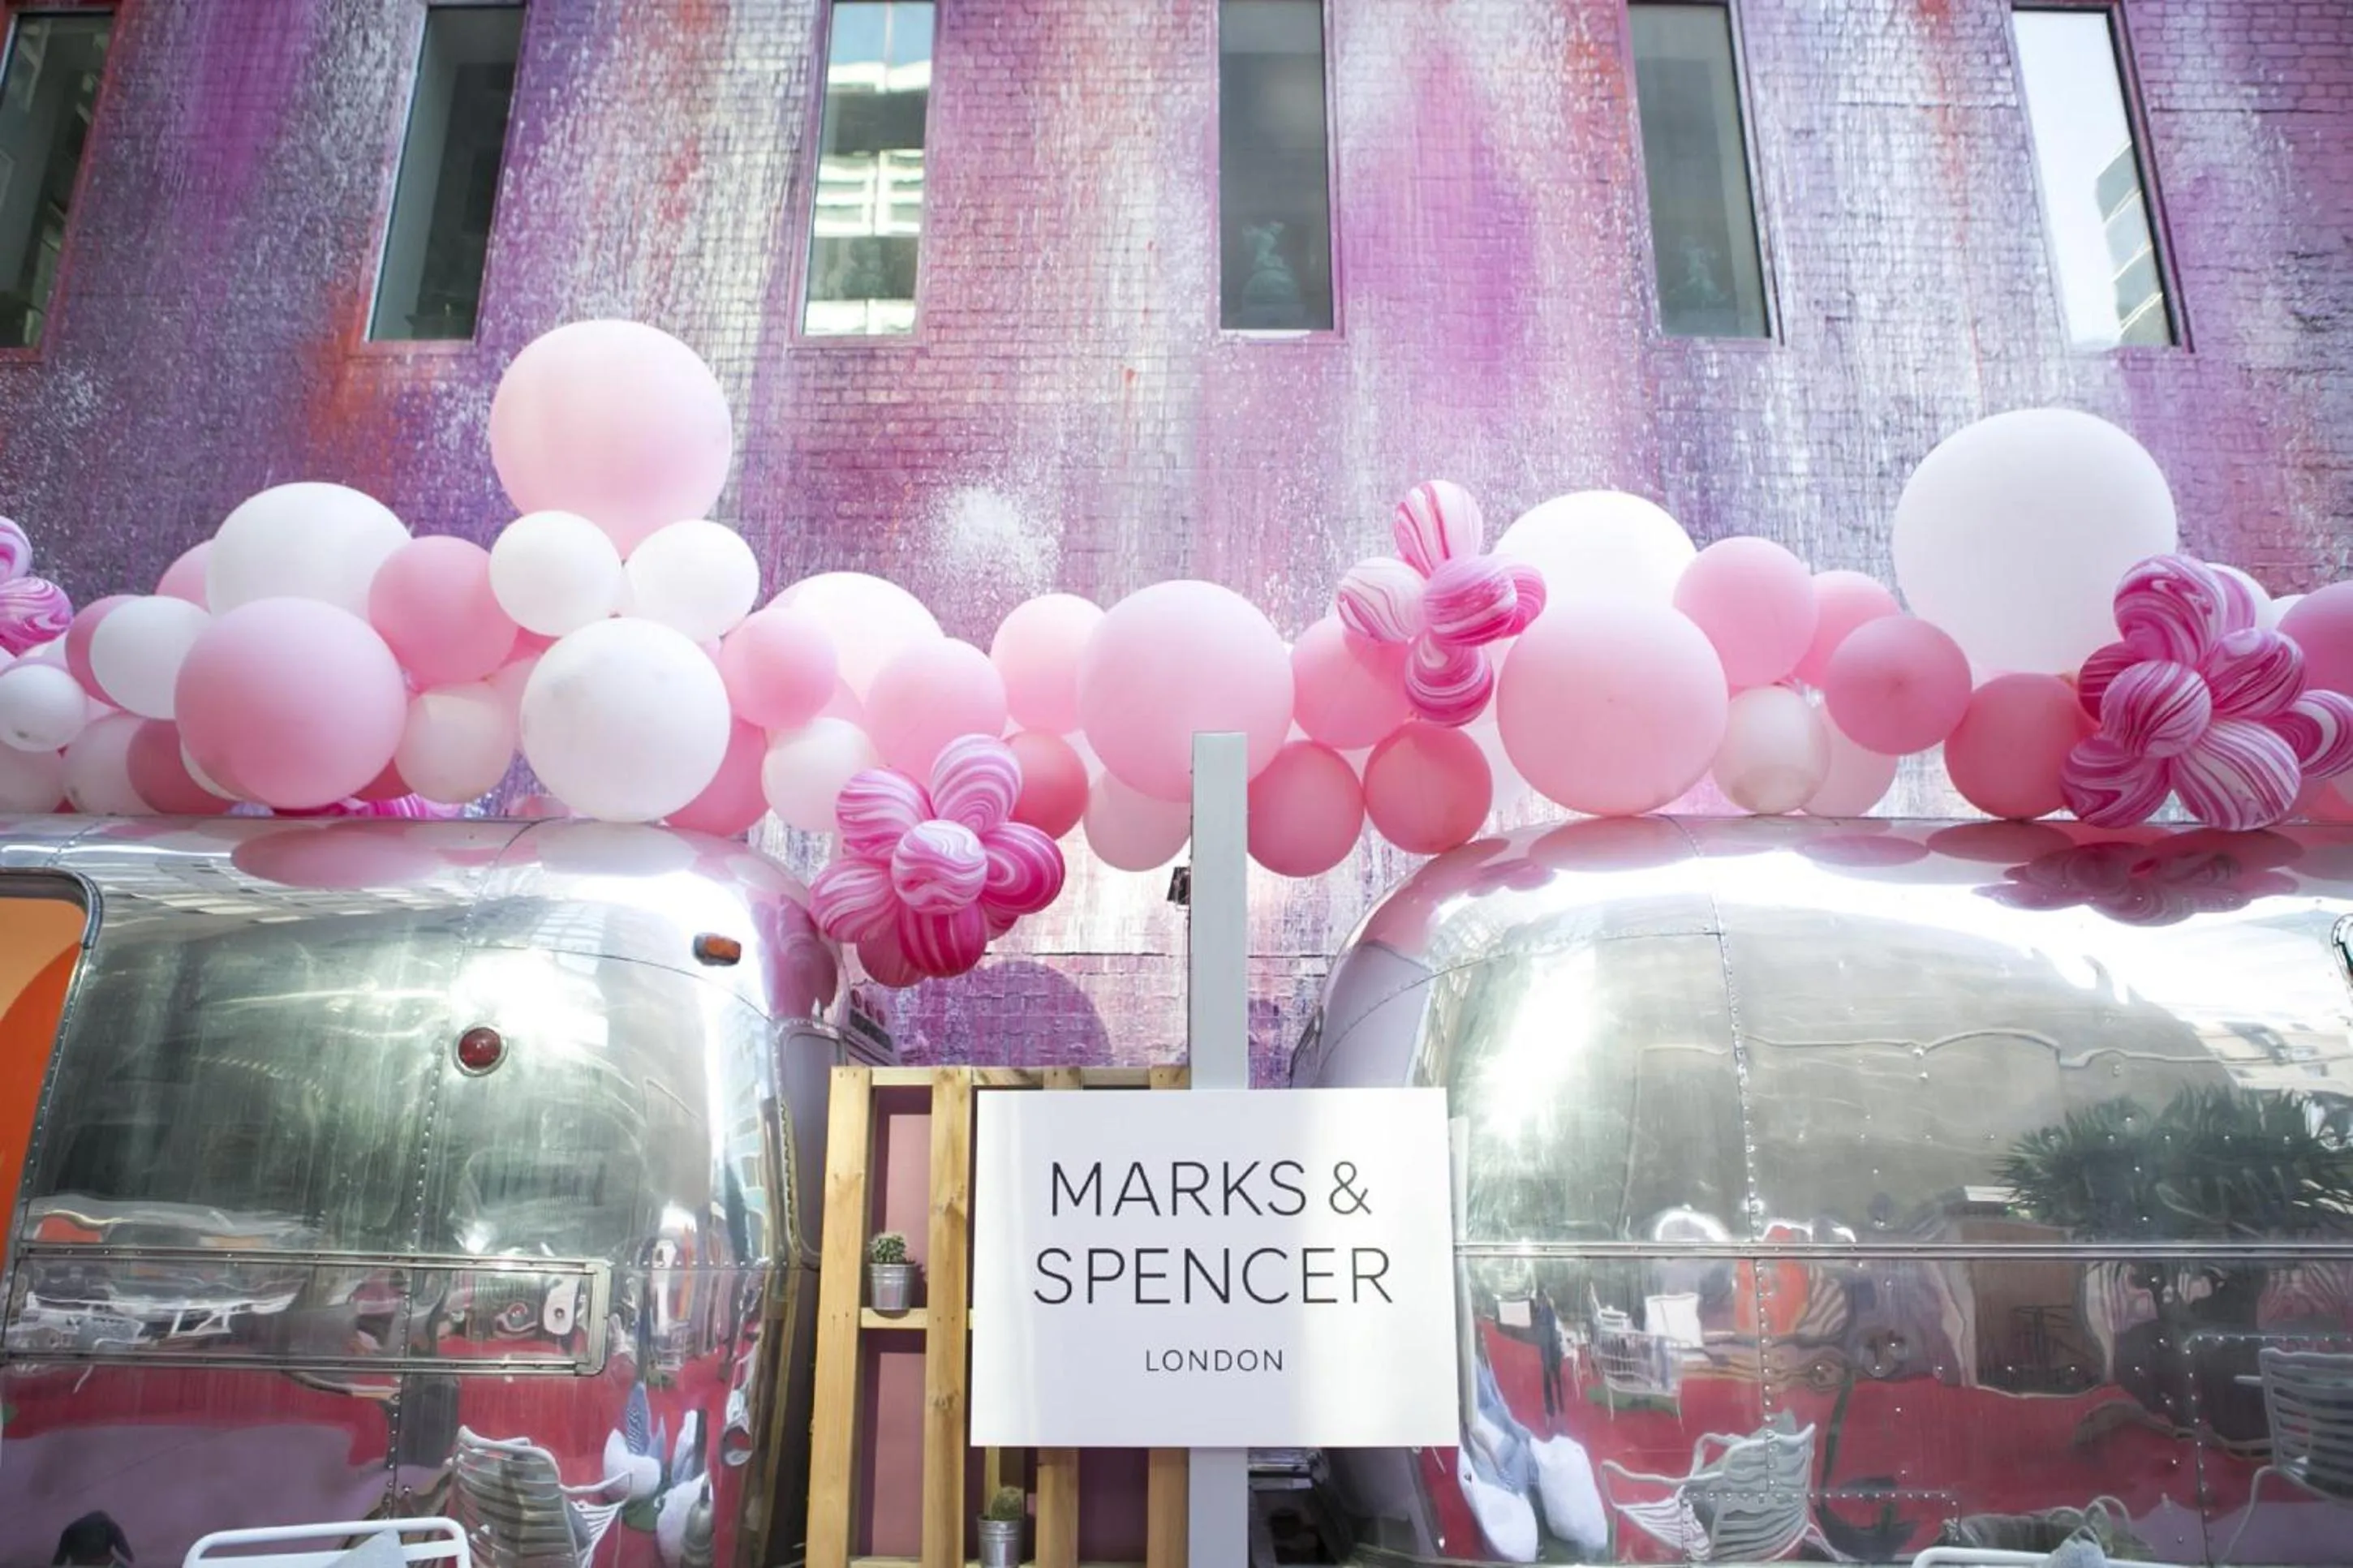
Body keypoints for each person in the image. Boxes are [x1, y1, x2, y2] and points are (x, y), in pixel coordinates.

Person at [1532, 1287, 1564, 1421]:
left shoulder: (1547, 1312)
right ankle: (1554, 1408)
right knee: (1552, 1381)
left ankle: (1555, 1409)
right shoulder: (1544, 1311)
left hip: (1551, 1351)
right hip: (1549, 1351)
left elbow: (1550, 1333)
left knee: (1553, 1381)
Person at [53, 1512, 132, 1568]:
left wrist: (55, 1565)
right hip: (101, 1561)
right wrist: (131, 1560)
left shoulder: (71, 1528)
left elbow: (60, 1556)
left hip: (79, 1561)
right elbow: (123, 1547)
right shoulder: (109, 1525)